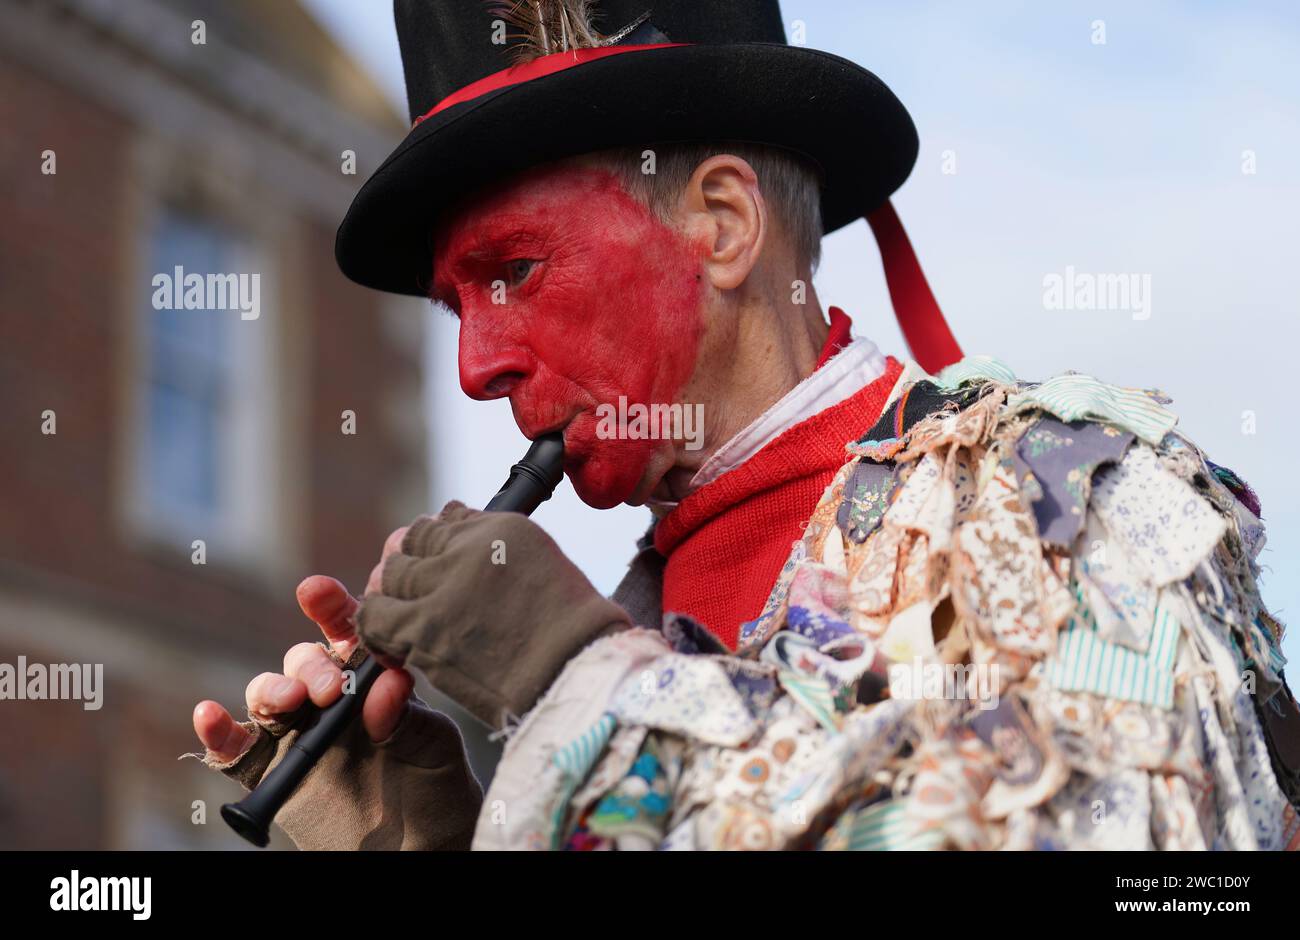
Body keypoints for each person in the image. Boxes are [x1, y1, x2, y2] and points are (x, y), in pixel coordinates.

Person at [188, 0, 1300, 850]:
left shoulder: (1072, 499)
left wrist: (578, 682)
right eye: (456, 306)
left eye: (514, 272)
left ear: (719, 223)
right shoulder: (637, 609)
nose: (476, 366)